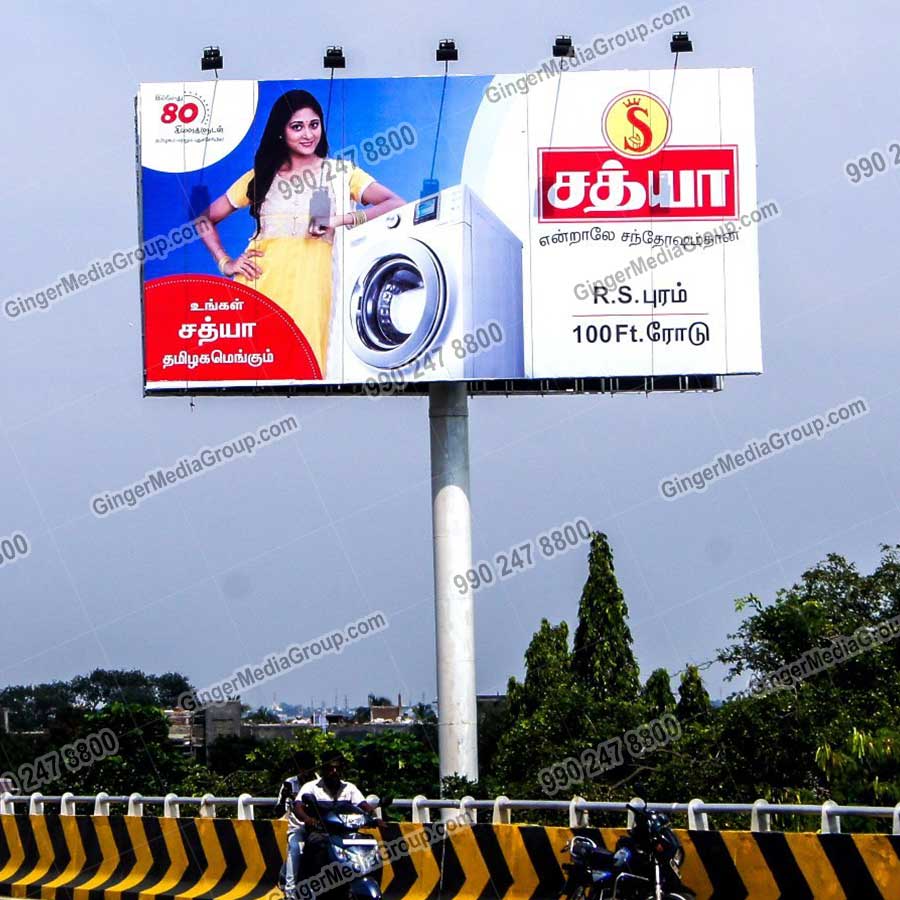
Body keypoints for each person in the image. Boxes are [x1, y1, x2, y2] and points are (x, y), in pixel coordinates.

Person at [198, 89, 405, 377]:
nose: (308, 134)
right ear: (281, 132)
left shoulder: (341, 172)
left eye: (314, 124)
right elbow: (204, 219)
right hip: (259, 284)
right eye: (297, 126)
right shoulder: (261, 176)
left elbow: (395, 203)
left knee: (308, 368)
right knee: (254, 372)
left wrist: (338, 219)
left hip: (314, 285)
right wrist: (225, 262)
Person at [293, 750, 380, 882]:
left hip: (346, 835)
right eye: (330, 768)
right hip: (321, 832)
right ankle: (309, 885)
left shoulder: (350, 788)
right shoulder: (311, 787)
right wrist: (307, 819)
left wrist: (374, 818)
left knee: (370, 843)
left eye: (337, 768)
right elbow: (298, 806)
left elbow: (364, 806)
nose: (334, 771)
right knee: (314, 843)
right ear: (323, 769)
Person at [276, 750, 318, 900]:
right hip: (298, 829)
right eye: (301, 769)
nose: (304, 772)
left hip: (319, 829)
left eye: (307, 768)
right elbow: (278, 811)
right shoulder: (290, 783)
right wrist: (285, 797)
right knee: (294, 849)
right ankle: (290, 892)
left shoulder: (319, 784)